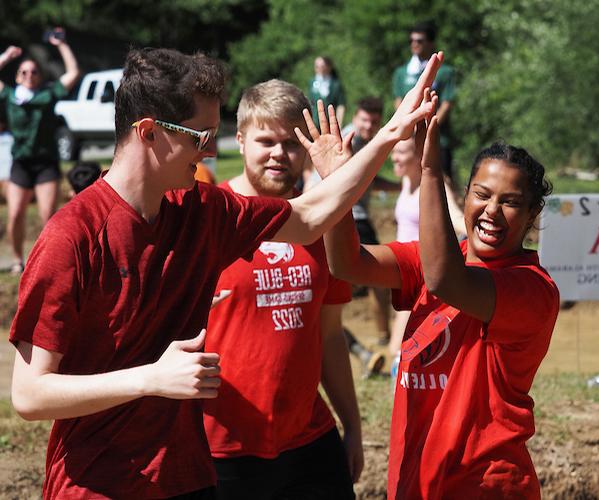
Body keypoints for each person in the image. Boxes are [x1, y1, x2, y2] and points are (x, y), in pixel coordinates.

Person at [10, 47, 443, 498]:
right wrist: (149, 379)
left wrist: (391, 133)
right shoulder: (72, 237)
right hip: (98, 487)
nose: (211, 151)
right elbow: (30, 394)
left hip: (188, 479)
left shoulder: (201, 210)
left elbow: (310, 216)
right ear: (149, 133)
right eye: (200, 137)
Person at [323, 95, 560, 498]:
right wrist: (335, 184)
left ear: (534, 214)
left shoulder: (532, 289)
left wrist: (429, 169)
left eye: (511, 203)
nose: (491, 211)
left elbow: (445, 281)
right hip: (416, 478)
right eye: (482, 194)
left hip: (485, 484)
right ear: (466, 195)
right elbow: (347, 263)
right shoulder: (427, 259)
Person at [203, 79, 361, 500]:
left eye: (291, 143)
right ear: (239, 140)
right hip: (222, 446)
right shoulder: (209, 218)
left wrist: (353, 427)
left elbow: (330, 336)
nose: (278, 153)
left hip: (309, 438)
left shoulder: (323, 226)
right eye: (265, 140)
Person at [0, 29, 80, 274]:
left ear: (39, 75)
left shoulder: (48, 94)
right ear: (17, 75)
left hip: (46, 163)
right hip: (21, 163)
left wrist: (61, 45)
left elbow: (74, 73)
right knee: (14, 215)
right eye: (24, 71)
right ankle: (17, 260)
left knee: (48, 216)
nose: (29, 75)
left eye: (34, 71)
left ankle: (45, 261)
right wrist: (5, 56)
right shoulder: (11, 96)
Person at [388, 136, 466, 356]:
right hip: (402, 272)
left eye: (401, 152)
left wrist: (477, 231)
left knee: (402, 349)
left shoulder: (432, 184)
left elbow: (456, 217)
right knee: (400, 348)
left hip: (421, 274)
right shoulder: (405, 182)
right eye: (394, 151)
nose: (394, 157)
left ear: (418, 155)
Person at [342, 97, 398, 346]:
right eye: (365, 119)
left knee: (372, 277)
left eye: (374, 121)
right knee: (379, 275)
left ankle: (383, 335)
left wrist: (402, 185)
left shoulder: (365, 141)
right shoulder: (349, 140)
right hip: (350, 216)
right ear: (356, 117)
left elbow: (371, 180)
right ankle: (384, 336)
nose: (368, 125)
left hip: (349, 216)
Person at [393, 21, 456, 180]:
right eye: (411, 41)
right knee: (413, 182)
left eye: (419, 41)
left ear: (430, 43)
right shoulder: (401, 73)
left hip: (439, 138)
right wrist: (410, 128)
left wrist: (430, 126)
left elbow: (447, 104)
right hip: (410, 139)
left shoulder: (445, 72)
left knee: (441, 182)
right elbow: (399, 102)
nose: (414, 44)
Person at [308, 56, 346, 126]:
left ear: (329, 67)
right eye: (317, 66)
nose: (320, 69)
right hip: (315, 122)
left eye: (322, 66)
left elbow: (340, 105)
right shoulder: (312, 82)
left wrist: (339, 124)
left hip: (330, 122)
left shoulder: (335, 85)